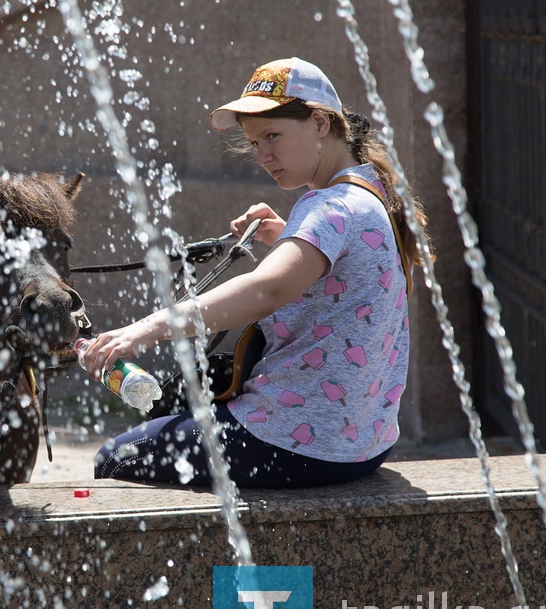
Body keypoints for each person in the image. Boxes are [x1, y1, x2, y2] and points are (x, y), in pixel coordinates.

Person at [81, 57, 430, 489]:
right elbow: (351, 280)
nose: (263, 156)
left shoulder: (329, 207)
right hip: (364, 442)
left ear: (320, 123)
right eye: (254, 143)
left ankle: (234, 561)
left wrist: (148, 329)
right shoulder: (369, 193)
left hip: (294, 441)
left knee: (115, 459)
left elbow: (268, 290)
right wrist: (290, 237)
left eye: (273, 136)